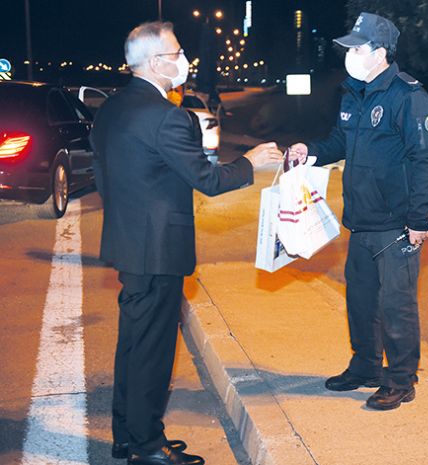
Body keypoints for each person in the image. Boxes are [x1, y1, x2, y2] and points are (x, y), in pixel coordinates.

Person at [90, 21, 282, 465]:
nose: (184, 61)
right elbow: (208, 179)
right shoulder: (166, 116)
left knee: (133, 344)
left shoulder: (112, 108)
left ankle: (129, 435)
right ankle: (147, 445)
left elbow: (105, 177)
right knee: (153, 353)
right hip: (158, 250)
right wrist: (250, 161)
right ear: (157, 62)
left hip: (128, 244)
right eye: (177, 53)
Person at [288, 12, 428, 411]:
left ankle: (401, 379)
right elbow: (340, 141)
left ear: (381, 52)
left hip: (396, 225)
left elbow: (425, 159)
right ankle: (366, 367)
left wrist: (419, 219)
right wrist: (312, 151)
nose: (350, 54)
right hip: (360, 219)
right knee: (360, 301)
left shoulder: (408, 97)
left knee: (397, 306)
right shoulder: (353, 91)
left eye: (357, 47)